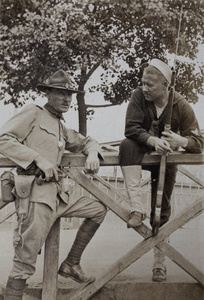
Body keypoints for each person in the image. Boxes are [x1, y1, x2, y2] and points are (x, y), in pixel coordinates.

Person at [0, 69, 107, 300]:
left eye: (69, 94)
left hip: (59, 198)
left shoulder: (60, 125)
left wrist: (92, 153)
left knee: (97, 210)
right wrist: (37, 159)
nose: (67, 99)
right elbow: (3, 139)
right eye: (60, 93)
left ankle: (71, 263)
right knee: (24, 262)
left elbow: (87, 141)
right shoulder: (34, 113)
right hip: (35, 198)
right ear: (48, 93)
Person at [119, 59, 204, 282]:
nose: (144, 88)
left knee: (161, 211)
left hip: (167, 161)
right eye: (143, 83)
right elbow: (131, 128)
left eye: (150, 85)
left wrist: (181, 140)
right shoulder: (138, 96)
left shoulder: (182, 105)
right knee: (126, 145)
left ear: (166, 85)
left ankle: (159, 261)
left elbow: (198, 142)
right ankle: (136, 207)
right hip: (142, 154)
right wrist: (152, 140)